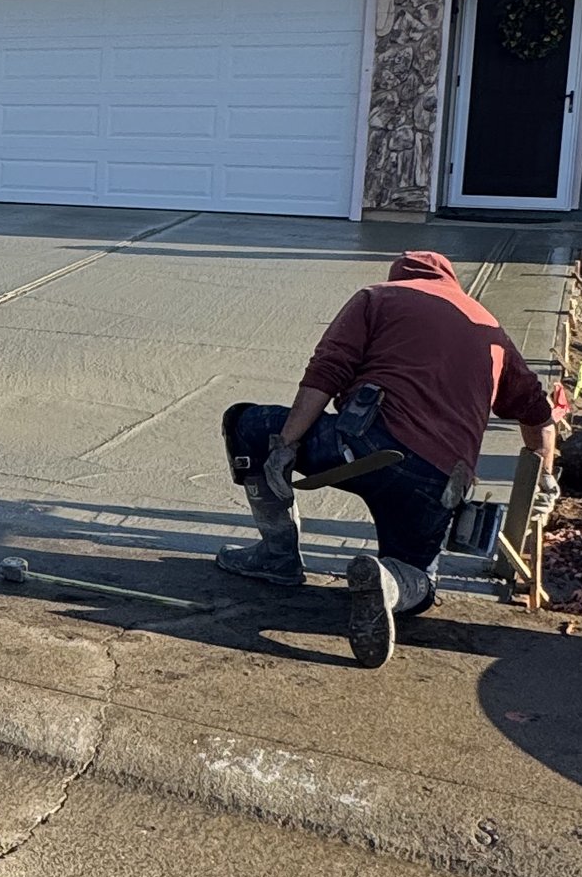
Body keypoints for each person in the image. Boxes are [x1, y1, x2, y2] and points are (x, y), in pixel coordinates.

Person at [222, 248, 560, 668]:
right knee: (420, 579)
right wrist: (544, 481)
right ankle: (387, 584)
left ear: (400, 276)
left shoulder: (378, 297)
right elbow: (540, 417)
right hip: (438, 479)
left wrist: (286, 445)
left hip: (360, 449)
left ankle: (277, 556)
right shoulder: (489, 327)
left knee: (245, 424)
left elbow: (326, 371)